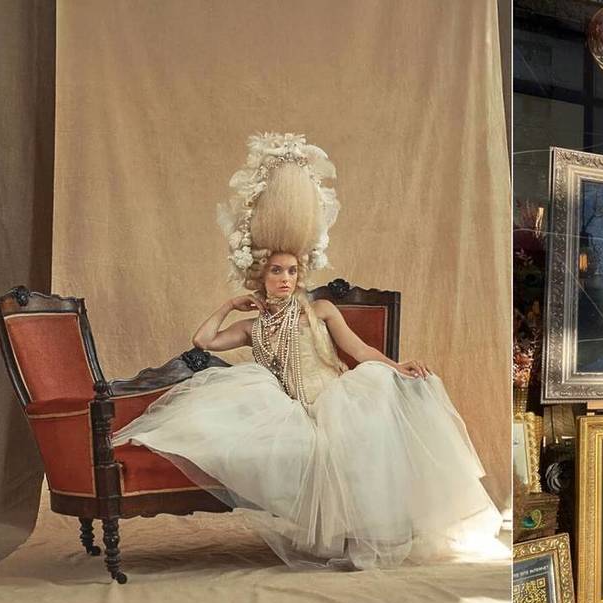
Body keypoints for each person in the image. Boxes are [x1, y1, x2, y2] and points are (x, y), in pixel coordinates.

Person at [112, 133, 501, 570]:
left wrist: (397, 365)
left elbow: (359, 349)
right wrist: (226, 306)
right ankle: (342, 534)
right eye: (276, 271)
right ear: (262, 277)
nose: (285, 278)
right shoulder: (251, 327)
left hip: (336, 398)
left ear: (300, 275)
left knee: (385, 413)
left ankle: (375, 533)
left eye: (292, 271)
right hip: (290, 408)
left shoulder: (320, 310)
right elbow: (203, 341)